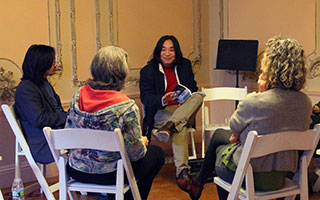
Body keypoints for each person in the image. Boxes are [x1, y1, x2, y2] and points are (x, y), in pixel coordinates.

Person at [182, 36, 312, 200]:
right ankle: (198, 183)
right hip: (282, 176)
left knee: (219, 152)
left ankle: (198, 183)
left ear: (271, 67)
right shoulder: (305, 102)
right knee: (221, 136)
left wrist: (262, 93)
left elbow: (235, 128)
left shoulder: (255, 102)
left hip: (251, 175)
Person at [65, 46, 165, 200]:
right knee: (157, 154)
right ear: (122, 73)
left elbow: (69, 133)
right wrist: (142, 143)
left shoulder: (78, 96)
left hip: (77, 169)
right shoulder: (126, 106)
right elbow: (135, 154)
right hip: (111, 174)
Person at [139, 35, 204, 191]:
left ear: (176, 52)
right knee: (179, 126)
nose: (167, 53)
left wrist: (186, 96)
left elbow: (193, 88)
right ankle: (182, 172)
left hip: (182, 110)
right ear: (158, 52)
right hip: (161, 112)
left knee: (198, 97)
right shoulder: (148, 71)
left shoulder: (185, 65)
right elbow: (146, 98)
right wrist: (163, 99)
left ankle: (171, 125)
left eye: (171, 50)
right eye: (163, 49)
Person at [14, 44, 67, 164]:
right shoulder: (26, 88)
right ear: (41, 64)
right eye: (52, 61)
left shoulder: (42, 83)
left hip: (56, 135)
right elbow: (40, 119)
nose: (55, 64)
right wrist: (67, 116)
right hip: (44, 144)